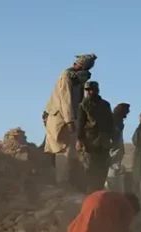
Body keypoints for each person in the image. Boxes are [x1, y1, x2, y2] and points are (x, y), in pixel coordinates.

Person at [44, 53, 97, 190]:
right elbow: (65, 100)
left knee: (71, 151)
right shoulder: (66, 76)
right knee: (62, 150)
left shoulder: (77, 79)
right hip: (61, 119)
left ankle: (66, 183)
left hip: (71, 118)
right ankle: (61, 184)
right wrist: (69, 122)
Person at [76, 80, 115, 193]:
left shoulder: (105, 105)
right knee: (90, 168)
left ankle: (99, 191)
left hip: (103, 141)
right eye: (87, 90)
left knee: (103, 168)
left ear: (97, 90)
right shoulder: (83, 105)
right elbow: (80, 123)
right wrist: (79, 139)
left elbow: (110, 122)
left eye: (91, 90)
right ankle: (91, 193)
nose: (89, 92)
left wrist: (111, 136)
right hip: (90, 141)